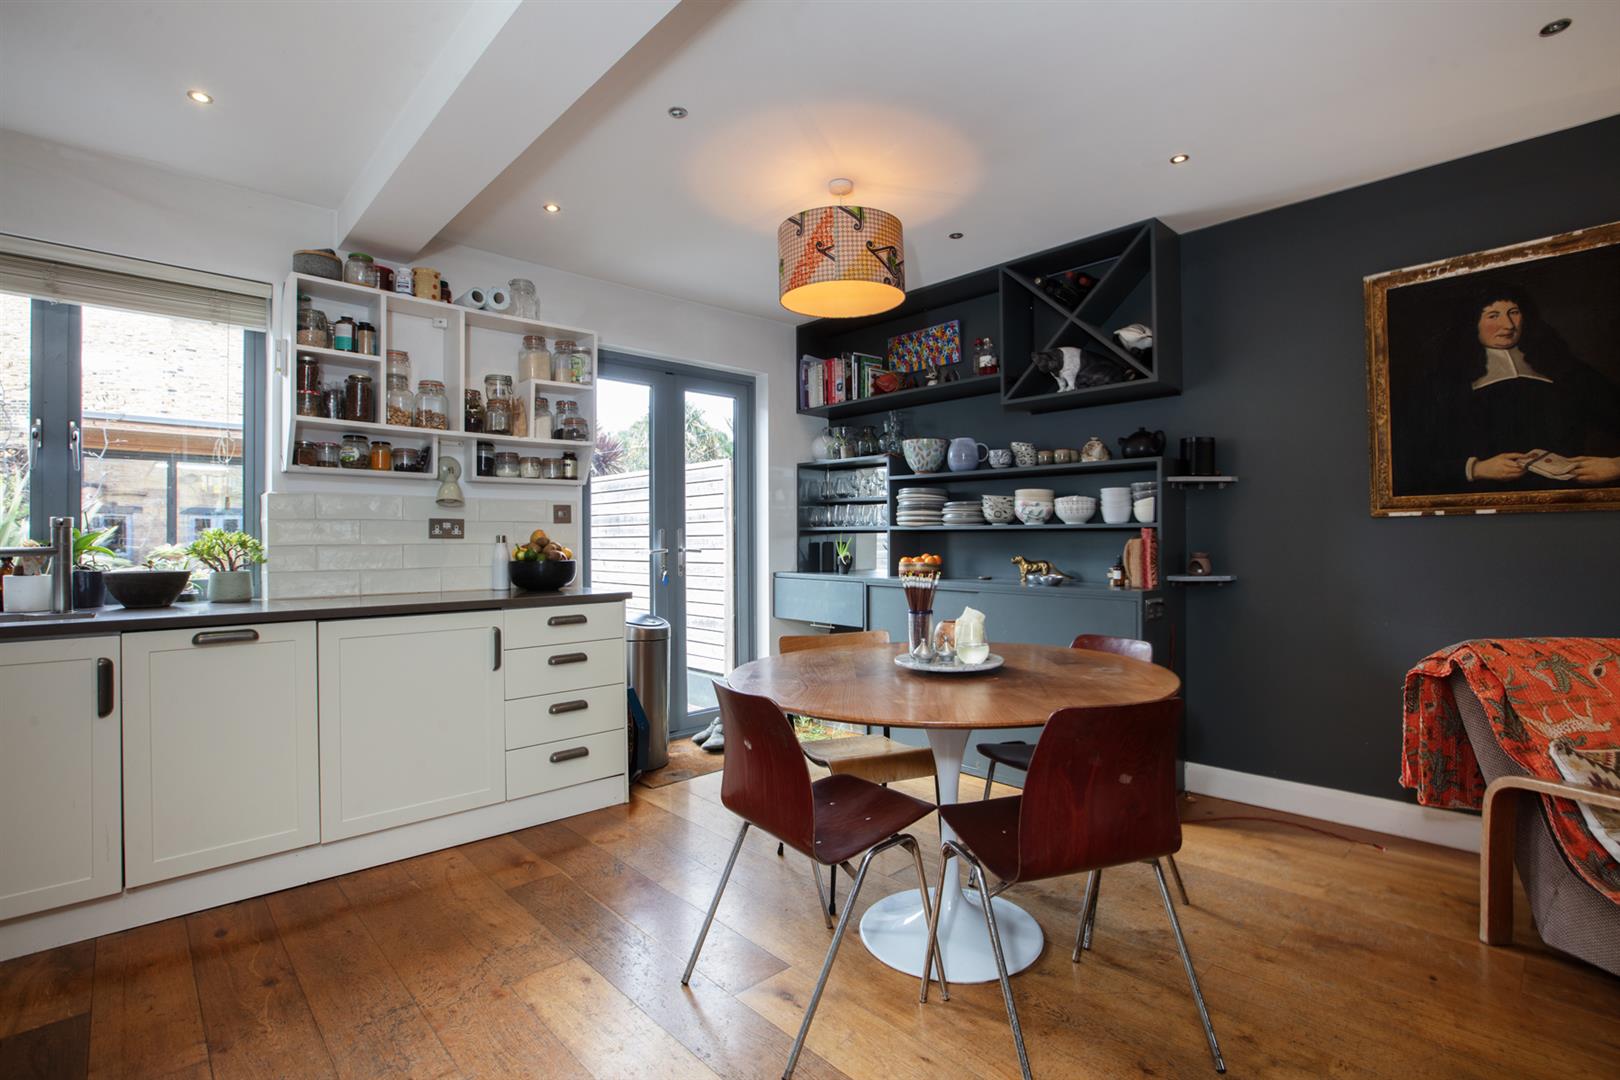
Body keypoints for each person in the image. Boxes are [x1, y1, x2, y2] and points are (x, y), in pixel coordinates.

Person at [1393, 286, 1620, 495]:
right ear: (1471, 322)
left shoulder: (1567, 370)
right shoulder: (1441, 385)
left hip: (1569, 502)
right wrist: (1476, 468)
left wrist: (1615, 466)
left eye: (1514, 312)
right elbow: (1405, 465)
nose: (1509, 325)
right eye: (1493, 315)